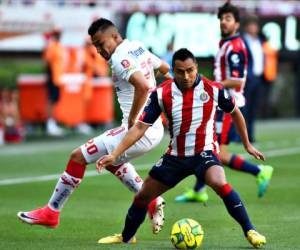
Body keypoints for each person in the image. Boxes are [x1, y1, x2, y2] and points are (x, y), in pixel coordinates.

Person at [96, 48, 266, 248]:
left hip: (205, 153)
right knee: (143, 196)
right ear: (173, 71)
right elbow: (141, 127)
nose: (186, 76)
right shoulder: (161, 94)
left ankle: (250, 230)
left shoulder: (213, 89)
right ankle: (126, 237)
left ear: (196, 67)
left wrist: (247, 144)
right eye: (180, 71)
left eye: (190, 70)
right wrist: (115, 154)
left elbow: (235, 112)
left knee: (219, 182)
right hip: (175, 156)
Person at [17, 18, 172, 234]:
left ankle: (52, 212)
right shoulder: (136, 47)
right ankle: (152, 201)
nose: (99, 50)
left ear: (115, 37)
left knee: (77, 157)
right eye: (95, 46)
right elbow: (164, 68)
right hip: (152, 128)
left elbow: (144, 86)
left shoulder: (119, 57)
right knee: (109, 161)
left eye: (101, 43)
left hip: (138, 130)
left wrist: (133, 120)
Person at [175, 2, 273, 203]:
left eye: (228, 19)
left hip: (228, 106)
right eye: (221, 19)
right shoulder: (225, 43)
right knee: (207, 147)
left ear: (237, 24)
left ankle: (259, 170)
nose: (223, 22)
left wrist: (211, 85)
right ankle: (200, 189)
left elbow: (238, 80)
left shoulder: (235, 47)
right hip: (219, 104)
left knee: (216, 151)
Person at [43, 28, 65, 136]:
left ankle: (52, 123)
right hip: (52, 76)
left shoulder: (58, 46)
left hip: (57, 77)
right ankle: (49, 123)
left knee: (54, 100)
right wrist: (49, 76)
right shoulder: (51, 46)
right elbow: (47, 62)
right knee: (51, 100)